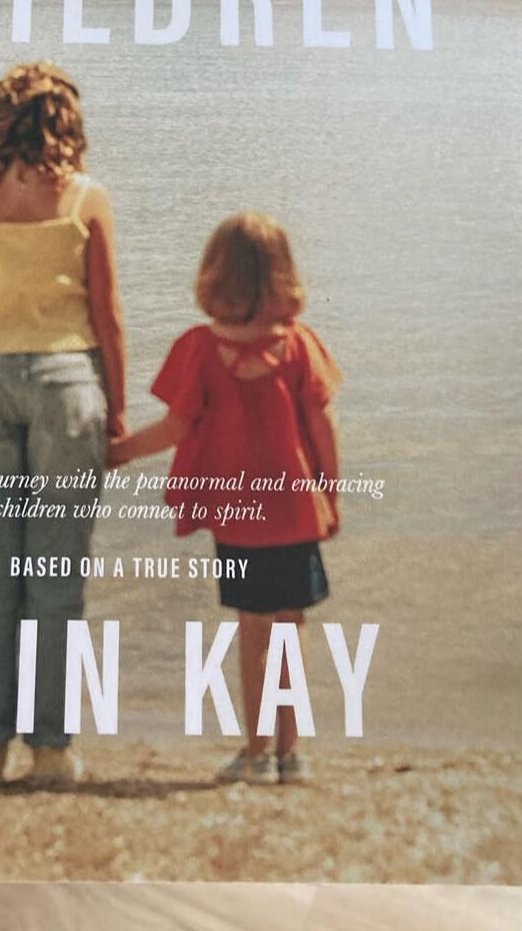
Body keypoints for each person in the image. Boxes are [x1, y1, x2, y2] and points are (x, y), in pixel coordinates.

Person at [0, 61, 126, 786]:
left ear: (0, 121)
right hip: (68, 388)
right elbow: (108, 317)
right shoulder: (87, 200)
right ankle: (51, 751)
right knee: (54, 574)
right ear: (66, 123)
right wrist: (118, 411)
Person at [108, 212, 340, 785]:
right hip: (295, 514)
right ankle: (292, 754)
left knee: (253, 631)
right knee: (291, 629)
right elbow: (322, 426)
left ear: (215, 275)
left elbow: (175, 428)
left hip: (240, 522)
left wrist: (118, 452)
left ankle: (256, 754)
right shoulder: (300, 346)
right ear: (283, 275)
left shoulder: (201, 351)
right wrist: (329, 494)